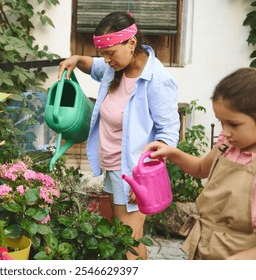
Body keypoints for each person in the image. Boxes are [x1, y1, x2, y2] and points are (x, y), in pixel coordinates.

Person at [57, 11, 180, 259]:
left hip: (135, 173)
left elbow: (168, 133)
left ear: (131, 43)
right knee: (127, 238)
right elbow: (92, 65)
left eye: (110, 53)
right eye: (103, 53)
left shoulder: (157, 80)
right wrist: (76, 59)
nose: (106, 59)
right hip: (115, 168)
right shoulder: (115, 68)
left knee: (128, 242)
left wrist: (144, 178)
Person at [145, 68, 256, 260]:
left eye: (234, 124)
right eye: (221, 123)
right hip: (204, 248)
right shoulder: (226, 146)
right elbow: (200, 169)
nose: (226, 132)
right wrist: (172, 153)